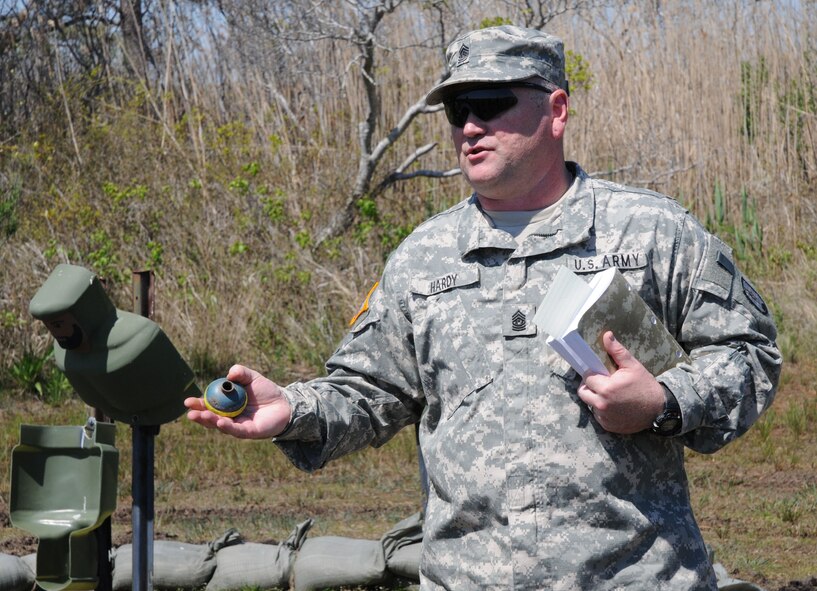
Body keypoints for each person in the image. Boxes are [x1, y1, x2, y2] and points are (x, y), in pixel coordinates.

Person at [185, 25, 781, 590]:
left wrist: (663, 403)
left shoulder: (649, 233)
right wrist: (292, 408)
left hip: (633, 576)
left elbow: (750, 355)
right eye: (456, 111)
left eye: (491, 104)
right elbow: (370, 390)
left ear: (557, 111)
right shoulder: (424, 257)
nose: (470, 126)